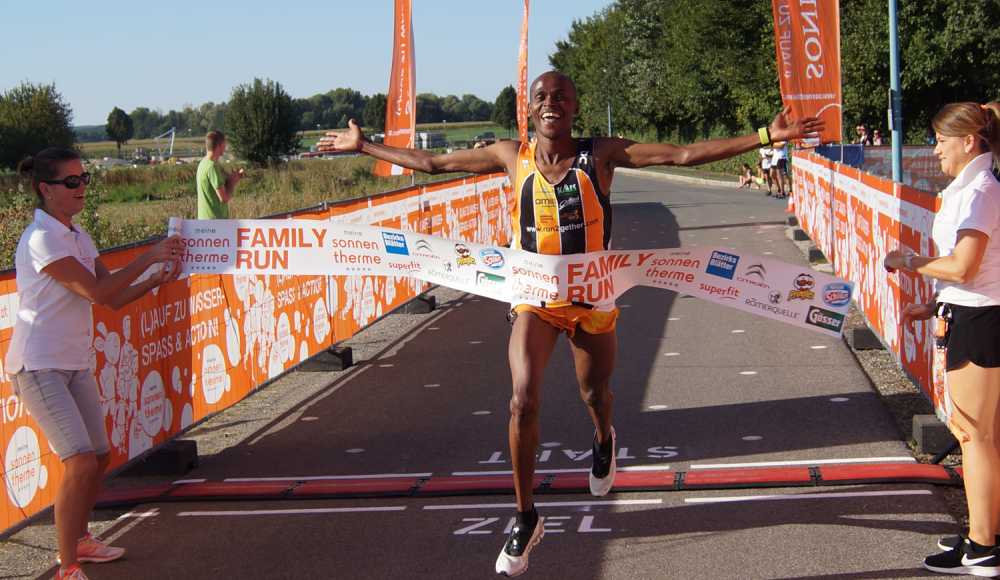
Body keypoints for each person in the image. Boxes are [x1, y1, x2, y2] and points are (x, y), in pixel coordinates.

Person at [324, 71, 822, 577]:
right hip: (534, 301)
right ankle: (525, 517)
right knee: (522, 399)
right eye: (540, 97)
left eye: (560, 96)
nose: (550, 104)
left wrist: (766, 136)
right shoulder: (508, 156)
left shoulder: (599, 155)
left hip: (592, 302)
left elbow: (682, 155)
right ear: (530, 109)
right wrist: (366, 146)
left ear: (575, 105)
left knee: (594, 395)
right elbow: (432, 163)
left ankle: (604, 438)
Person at [6, 148, 183, 580]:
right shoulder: (40, 238)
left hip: (74, 361)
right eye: (71, 182)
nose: (82, 187)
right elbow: (97, 293)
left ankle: (81, 538)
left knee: (100, 457)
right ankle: (66, 567)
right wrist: (151, 256)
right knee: (80, 462)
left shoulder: (78, 234)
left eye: (84, 179)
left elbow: (114, 297)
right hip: (38, 365)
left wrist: (156, 278)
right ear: (45, 190)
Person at [883, 101, 1000, 576]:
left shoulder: (981, 192)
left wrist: (907, 262)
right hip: (973, 315)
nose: (935, 150)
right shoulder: (976, 189)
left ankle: (982, 546)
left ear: (969, 141)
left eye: (940, 140)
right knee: (984, 437)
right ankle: (985, 534)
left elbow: (964, 267)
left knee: (974, 436)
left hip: (979, 323)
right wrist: (934, 305)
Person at [197, 131, 244, 220]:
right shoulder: (212, 167)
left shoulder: (203, 164)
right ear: (221, 145)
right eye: (225, 145)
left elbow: (212, 192)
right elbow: (224, 198)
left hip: (205, 222)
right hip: (216, 223)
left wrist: (228, 182)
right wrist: (231, 184)